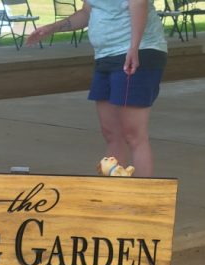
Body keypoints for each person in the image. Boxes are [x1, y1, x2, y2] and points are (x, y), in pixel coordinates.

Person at [26, 0, 167, 177]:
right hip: (104, 56)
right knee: (111, 133)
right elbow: (87, 12)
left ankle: (142, 198)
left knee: (133, 134)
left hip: (138, 51)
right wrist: (52, 28)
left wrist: (134, 47)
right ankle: (114, 193)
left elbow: (139, 3)